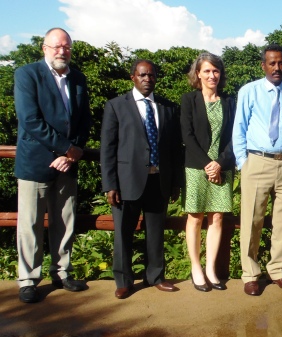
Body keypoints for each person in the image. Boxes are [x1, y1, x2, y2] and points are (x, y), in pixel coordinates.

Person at [14, 27, 91, 303]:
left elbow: (85, 121)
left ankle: (62, 272)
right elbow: (30, 120)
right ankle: (28, 280)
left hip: (67, 164)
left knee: (65, 221)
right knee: (30, 224)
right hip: (35, 162)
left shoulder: (78, 78)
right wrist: (65, 148)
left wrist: (72, 153)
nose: (62, 51)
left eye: (67, 47)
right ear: (44, 48)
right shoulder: (27, 74)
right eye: (57, 46)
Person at [101, 59, 183, 299]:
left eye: (151, 75)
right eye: (143, 75)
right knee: (123, 233)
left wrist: (175, 181)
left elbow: (175, 148)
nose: (148, 79)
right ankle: (124, 281)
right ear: (133, 78)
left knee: (156, 232)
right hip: (126, 182)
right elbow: (108, 148)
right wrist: (110, 184)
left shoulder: (167, 108)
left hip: (159, 180)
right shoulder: (116, 106)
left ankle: (155, 277)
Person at [232, 44, 282, 296]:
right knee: (252, 220)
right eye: (272, 63)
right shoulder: (249, 91)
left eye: (281, 63)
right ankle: (250, 274)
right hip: (257, 162)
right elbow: (239, 129)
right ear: (263, 65)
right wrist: (244, 162)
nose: (277, 68)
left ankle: (277, 270)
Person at [180, 53, 235, 292]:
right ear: (198, 74)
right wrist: (207, 164)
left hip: (223, 167)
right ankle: (196, 267)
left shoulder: (229, 102)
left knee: (218, 217)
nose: (212, 75)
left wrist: (219, 164)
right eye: (207, 71)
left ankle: (211, 269)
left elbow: (236, 136)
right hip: (195, 168)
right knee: (195, 217)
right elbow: (187, 136)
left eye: (216, 71)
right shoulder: (189, 100)